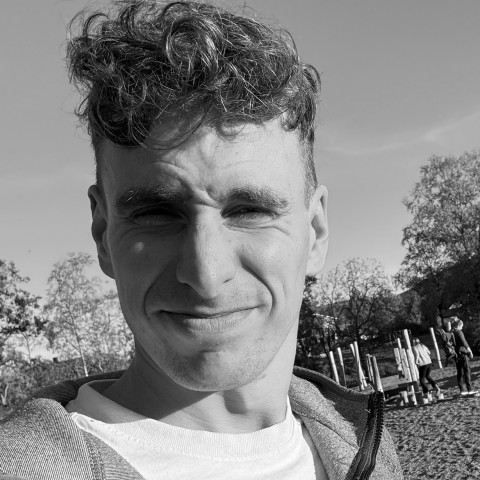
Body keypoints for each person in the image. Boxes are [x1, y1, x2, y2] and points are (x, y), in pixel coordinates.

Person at [0, 1, 403, 478]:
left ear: (315, 232)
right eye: (156, 213)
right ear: (103, 235)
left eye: (250, 211)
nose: (206, 274)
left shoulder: (363, 444)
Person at [451, 318, 477, 396]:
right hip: (463, 353)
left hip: (456, 354)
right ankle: (469, 389)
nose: (462, 327)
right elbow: (464, 343)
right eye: (461, 326)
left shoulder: (452, 333)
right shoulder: (459, 332)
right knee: (467, 371)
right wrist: (470, 351)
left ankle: (462, 390)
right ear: (458, 325)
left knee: (460, 372)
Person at [412, 338, 441, 402]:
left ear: (414, 342)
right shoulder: (423, 346)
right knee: (428, 376)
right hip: (429, 362)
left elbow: (417, 355)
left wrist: (416, 362)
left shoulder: (414, 347)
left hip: (423, 364)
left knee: (422, 379)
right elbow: (429, 352)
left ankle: (426, 392)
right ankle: (437, 388)